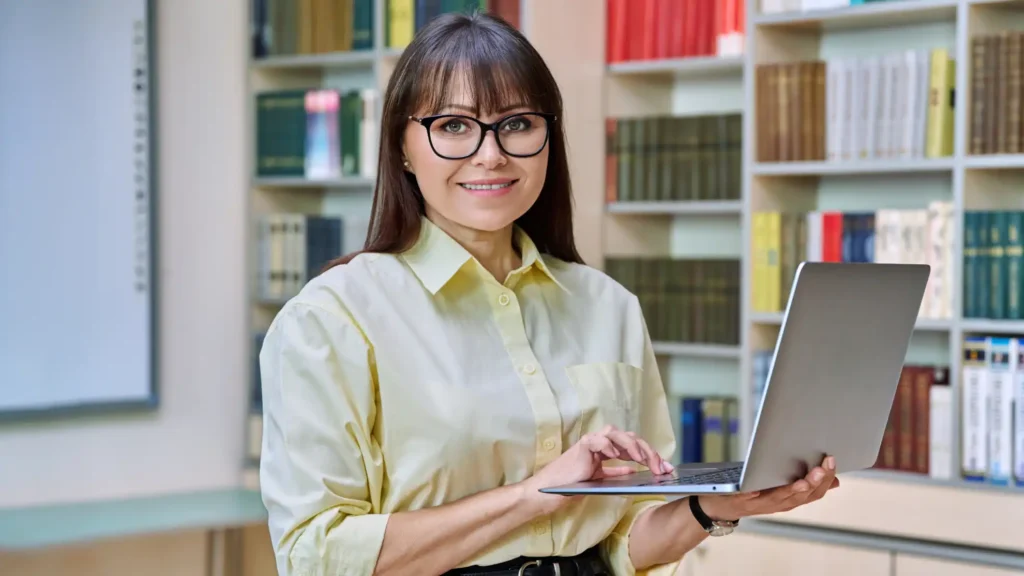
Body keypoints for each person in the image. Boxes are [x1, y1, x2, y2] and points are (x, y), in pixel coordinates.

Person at [257, 11, 838, 576]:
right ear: (403, 147)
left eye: (517, 123)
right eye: (454, 126)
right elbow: (317, 556)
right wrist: (532, 496)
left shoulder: (608, 306)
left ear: (548, 138)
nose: (492, 153)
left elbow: (620, 540)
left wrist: (711, 507)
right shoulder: (332, 318)